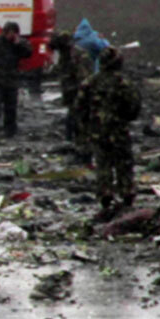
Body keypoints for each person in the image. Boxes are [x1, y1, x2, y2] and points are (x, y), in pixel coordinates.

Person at [82, 46, 141, 217]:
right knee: (124, 163)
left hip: (98, 131)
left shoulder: (90, 83)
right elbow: (134, 107)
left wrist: (87, 125)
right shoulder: (124, 84)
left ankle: (105, 194)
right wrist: (123, 118)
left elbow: (79, 107)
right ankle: (126, 193)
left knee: (103, 164)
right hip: (119, 130)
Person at [0, 21, 32, 136]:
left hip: (11, 78)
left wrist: (18, 44)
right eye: (9, 32)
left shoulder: (19, 44)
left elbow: (28, 53)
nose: (10, 35)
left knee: (11, 106)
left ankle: (10, 129)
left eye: (13, 33)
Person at [51, 31, 91, 156]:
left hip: (78, 92)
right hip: (70, 91)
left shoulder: (75, 56)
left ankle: (80, 150)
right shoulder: (64, 55)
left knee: (78, 121)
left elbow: (83, 77)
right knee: (72, 118)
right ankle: (72, 142)